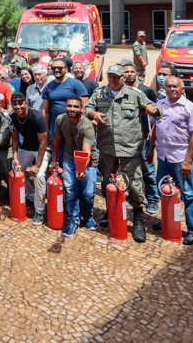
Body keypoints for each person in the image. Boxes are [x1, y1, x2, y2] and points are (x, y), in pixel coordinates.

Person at [85, 64, 161, 243]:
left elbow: (157, 110)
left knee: (133, 183)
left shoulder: (135, 94)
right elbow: (88, 108)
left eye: (116, 76)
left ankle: (138, 220)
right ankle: (110, 212)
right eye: (109, 76)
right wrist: (92, 113)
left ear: (122, 78)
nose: (112, 79)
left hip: (130, 147)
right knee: (107, 181)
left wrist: (154, 110)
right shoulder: (100, 93)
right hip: (107, 147)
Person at [145, 76, 193, 245]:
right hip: (163, 157)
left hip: (180, 157)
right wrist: (150, 150)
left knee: (189, 193)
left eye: (175, 87)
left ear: (182, 89)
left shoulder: (190, 108)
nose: (172, 89)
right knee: (164, 190)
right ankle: (169, 221)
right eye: (168, 86)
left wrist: (188, 161)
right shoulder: (160, 105)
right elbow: (155, 128)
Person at [51, 96, 98, 236]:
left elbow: (86, 152)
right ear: (65, 107)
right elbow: (56, 140)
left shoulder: (87, 125)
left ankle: (88, 215)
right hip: (69, 159)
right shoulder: (60, 119)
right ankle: (73, 220)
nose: (72, 109)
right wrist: (54, 160)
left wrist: (81, 169)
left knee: (87, 193)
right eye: (70, 106)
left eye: (76, 107)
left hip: (88, 162)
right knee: (71, 192)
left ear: (82, 109)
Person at [122, 60, 160, 215]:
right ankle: (132, 195)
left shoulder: (146, 91)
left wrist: (152, 131)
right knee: (129, 170)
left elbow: (156, 112)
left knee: (148, 170)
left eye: (132, 72)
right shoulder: (120, 91)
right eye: (126, 72)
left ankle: (152, 198)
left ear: (137, 74)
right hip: (126, 139)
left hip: (143, 138)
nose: (129, 74)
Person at [9, 92, 49, 224]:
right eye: (15, 104)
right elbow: (15, 138)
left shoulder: (37, 116)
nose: (18, 106)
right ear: (11, 105)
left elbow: (43, 143)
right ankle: (31, 196)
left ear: (25, 103)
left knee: (40, 175)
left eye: (20, 103)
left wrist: (37, 165)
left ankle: (39, 210)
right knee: (16, 170)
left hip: (43, 148)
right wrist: (15, 157)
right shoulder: (12, 117)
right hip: (27, 146)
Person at [41, 58, 89, 131]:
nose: (56, 70)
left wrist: (82, 127)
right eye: (54, 68)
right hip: (56, 126)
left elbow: (84, 108)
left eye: (59, 68)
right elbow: (46, 111)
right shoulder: (48, 87)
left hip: (74, 126)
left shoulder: (76, 84)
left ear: (66, 69)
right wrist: (46, 130)